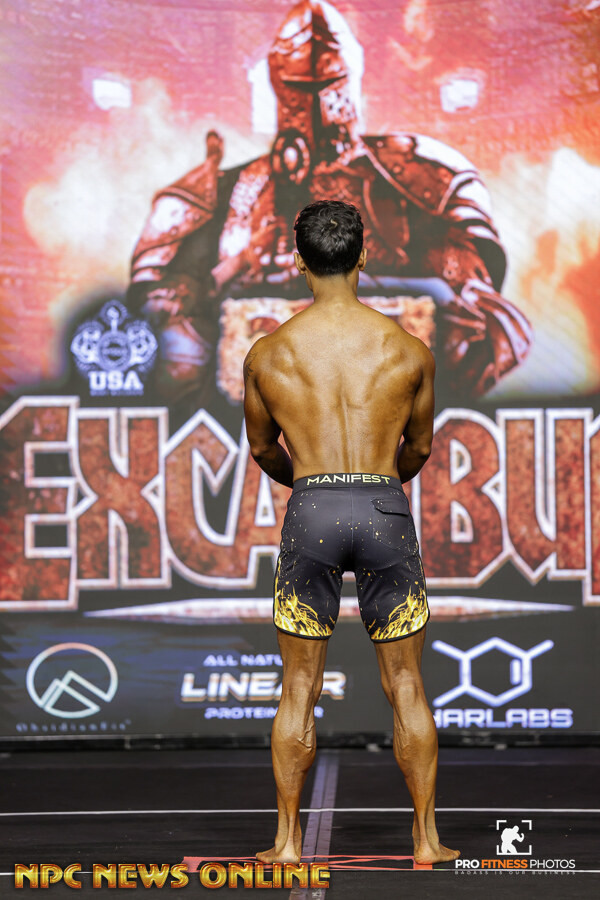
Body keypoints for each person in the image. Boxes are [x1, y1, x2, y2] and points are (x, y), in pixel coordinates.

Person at [243, 199, 459, 866]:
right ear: (363, 254)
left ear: (298, 261)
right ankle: (426, 840)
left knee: (298, 687)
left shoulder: (268, 353)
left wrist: (310, 483)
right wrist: (378, 486)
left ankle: (286, 844)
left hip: (311, 509)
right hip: (383, 508)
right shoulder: (408, 350)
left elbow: (262, 448)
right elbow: (419, 448)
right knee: (407, 684)